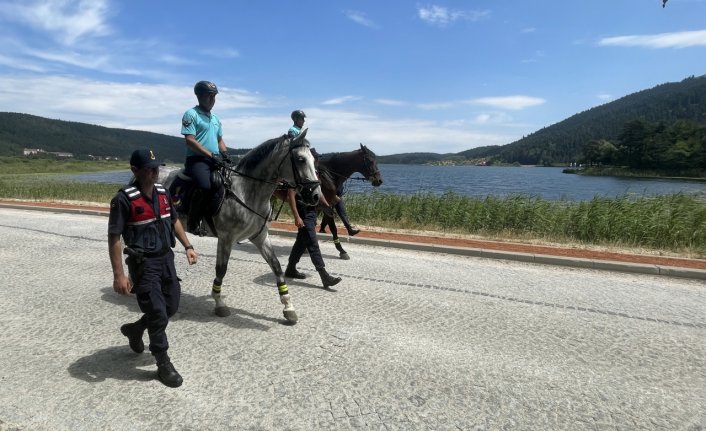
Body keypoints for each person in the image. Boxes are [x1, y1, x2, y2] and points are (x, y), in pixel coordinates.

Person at [108, 149, 198, 388]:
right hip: (143, 264)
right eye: (149, 168)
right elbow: (114, 238)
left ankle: (136, 329)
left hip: (166, 259)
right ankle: (163, 363)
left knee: (171, 306)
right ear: (135, 170)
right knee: (158, 313)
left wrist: (188, 245)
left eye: (156, 167)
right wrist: (119, 275)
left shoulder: (163, 192)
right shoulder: (123, 199)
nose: (155, 171)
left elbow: (174, 220)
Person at [284, 145, 342, 289]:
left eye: (317, 159)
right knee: (312, 242)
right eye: (316, 158)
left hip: (311, 211)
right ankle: (324, 276)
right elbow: (290, 195)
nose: (317, 161)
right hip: (302, 211)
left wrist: (326, 206)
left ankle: (290, 269)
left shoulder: (314, 173)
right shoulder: (299, 173)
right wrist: (296, 216)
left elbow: (319, 192)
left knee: (301, 242)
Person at [181, 80, 230, 234]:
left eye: (214, 97)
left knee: (230, 183)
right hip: (197, 160)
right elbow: (190, 140)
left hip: (214, 159)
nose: (212, 100)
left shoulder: (215, 119)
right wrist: (210, 155)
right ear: (199, 96)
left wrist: (225, 154)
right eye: (209, 96)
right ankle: (193, 222)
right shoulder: (191, 114)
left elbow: (219, 140)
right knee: (204, 186)